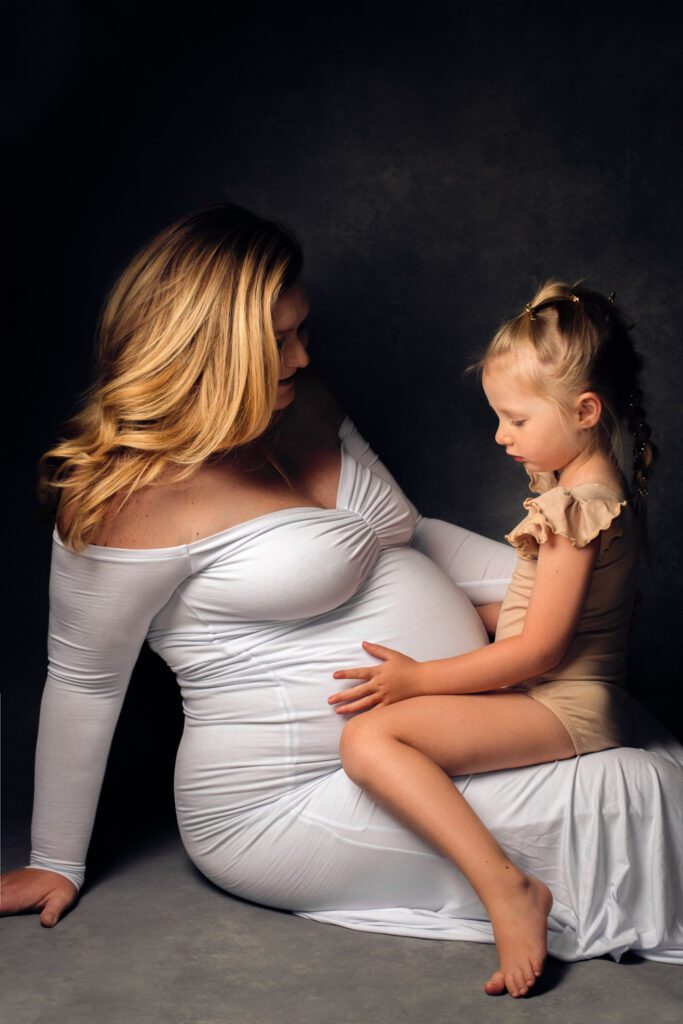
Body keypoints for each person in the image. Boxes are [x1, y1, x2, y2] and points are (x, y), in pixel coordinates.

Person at [2, 209, 681, 994]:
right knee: (641, 795)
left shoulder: (301, 397)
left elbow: (406, 535)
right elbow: (86, 679)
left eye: (303, 329)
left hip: (433, 730)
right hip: (287, 796)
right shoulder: (126, 497)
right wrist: (55, 859)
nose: (304, 354)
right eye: (279, 340)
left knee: (645, 747)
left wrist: (554, 600)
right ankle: (509, 891)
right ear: (208, 350)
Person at [328, 282, 655, 996]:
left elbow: (539, 652)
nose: (500, 437)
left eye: (513, 420)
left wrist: (418, 680)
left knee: (369, 741)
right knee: (385, 721)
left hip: (567, 706)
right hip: (561, 691)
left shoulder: (573, 509)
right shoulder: (583, 475)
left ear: (584, 411)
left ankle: (507, 889)